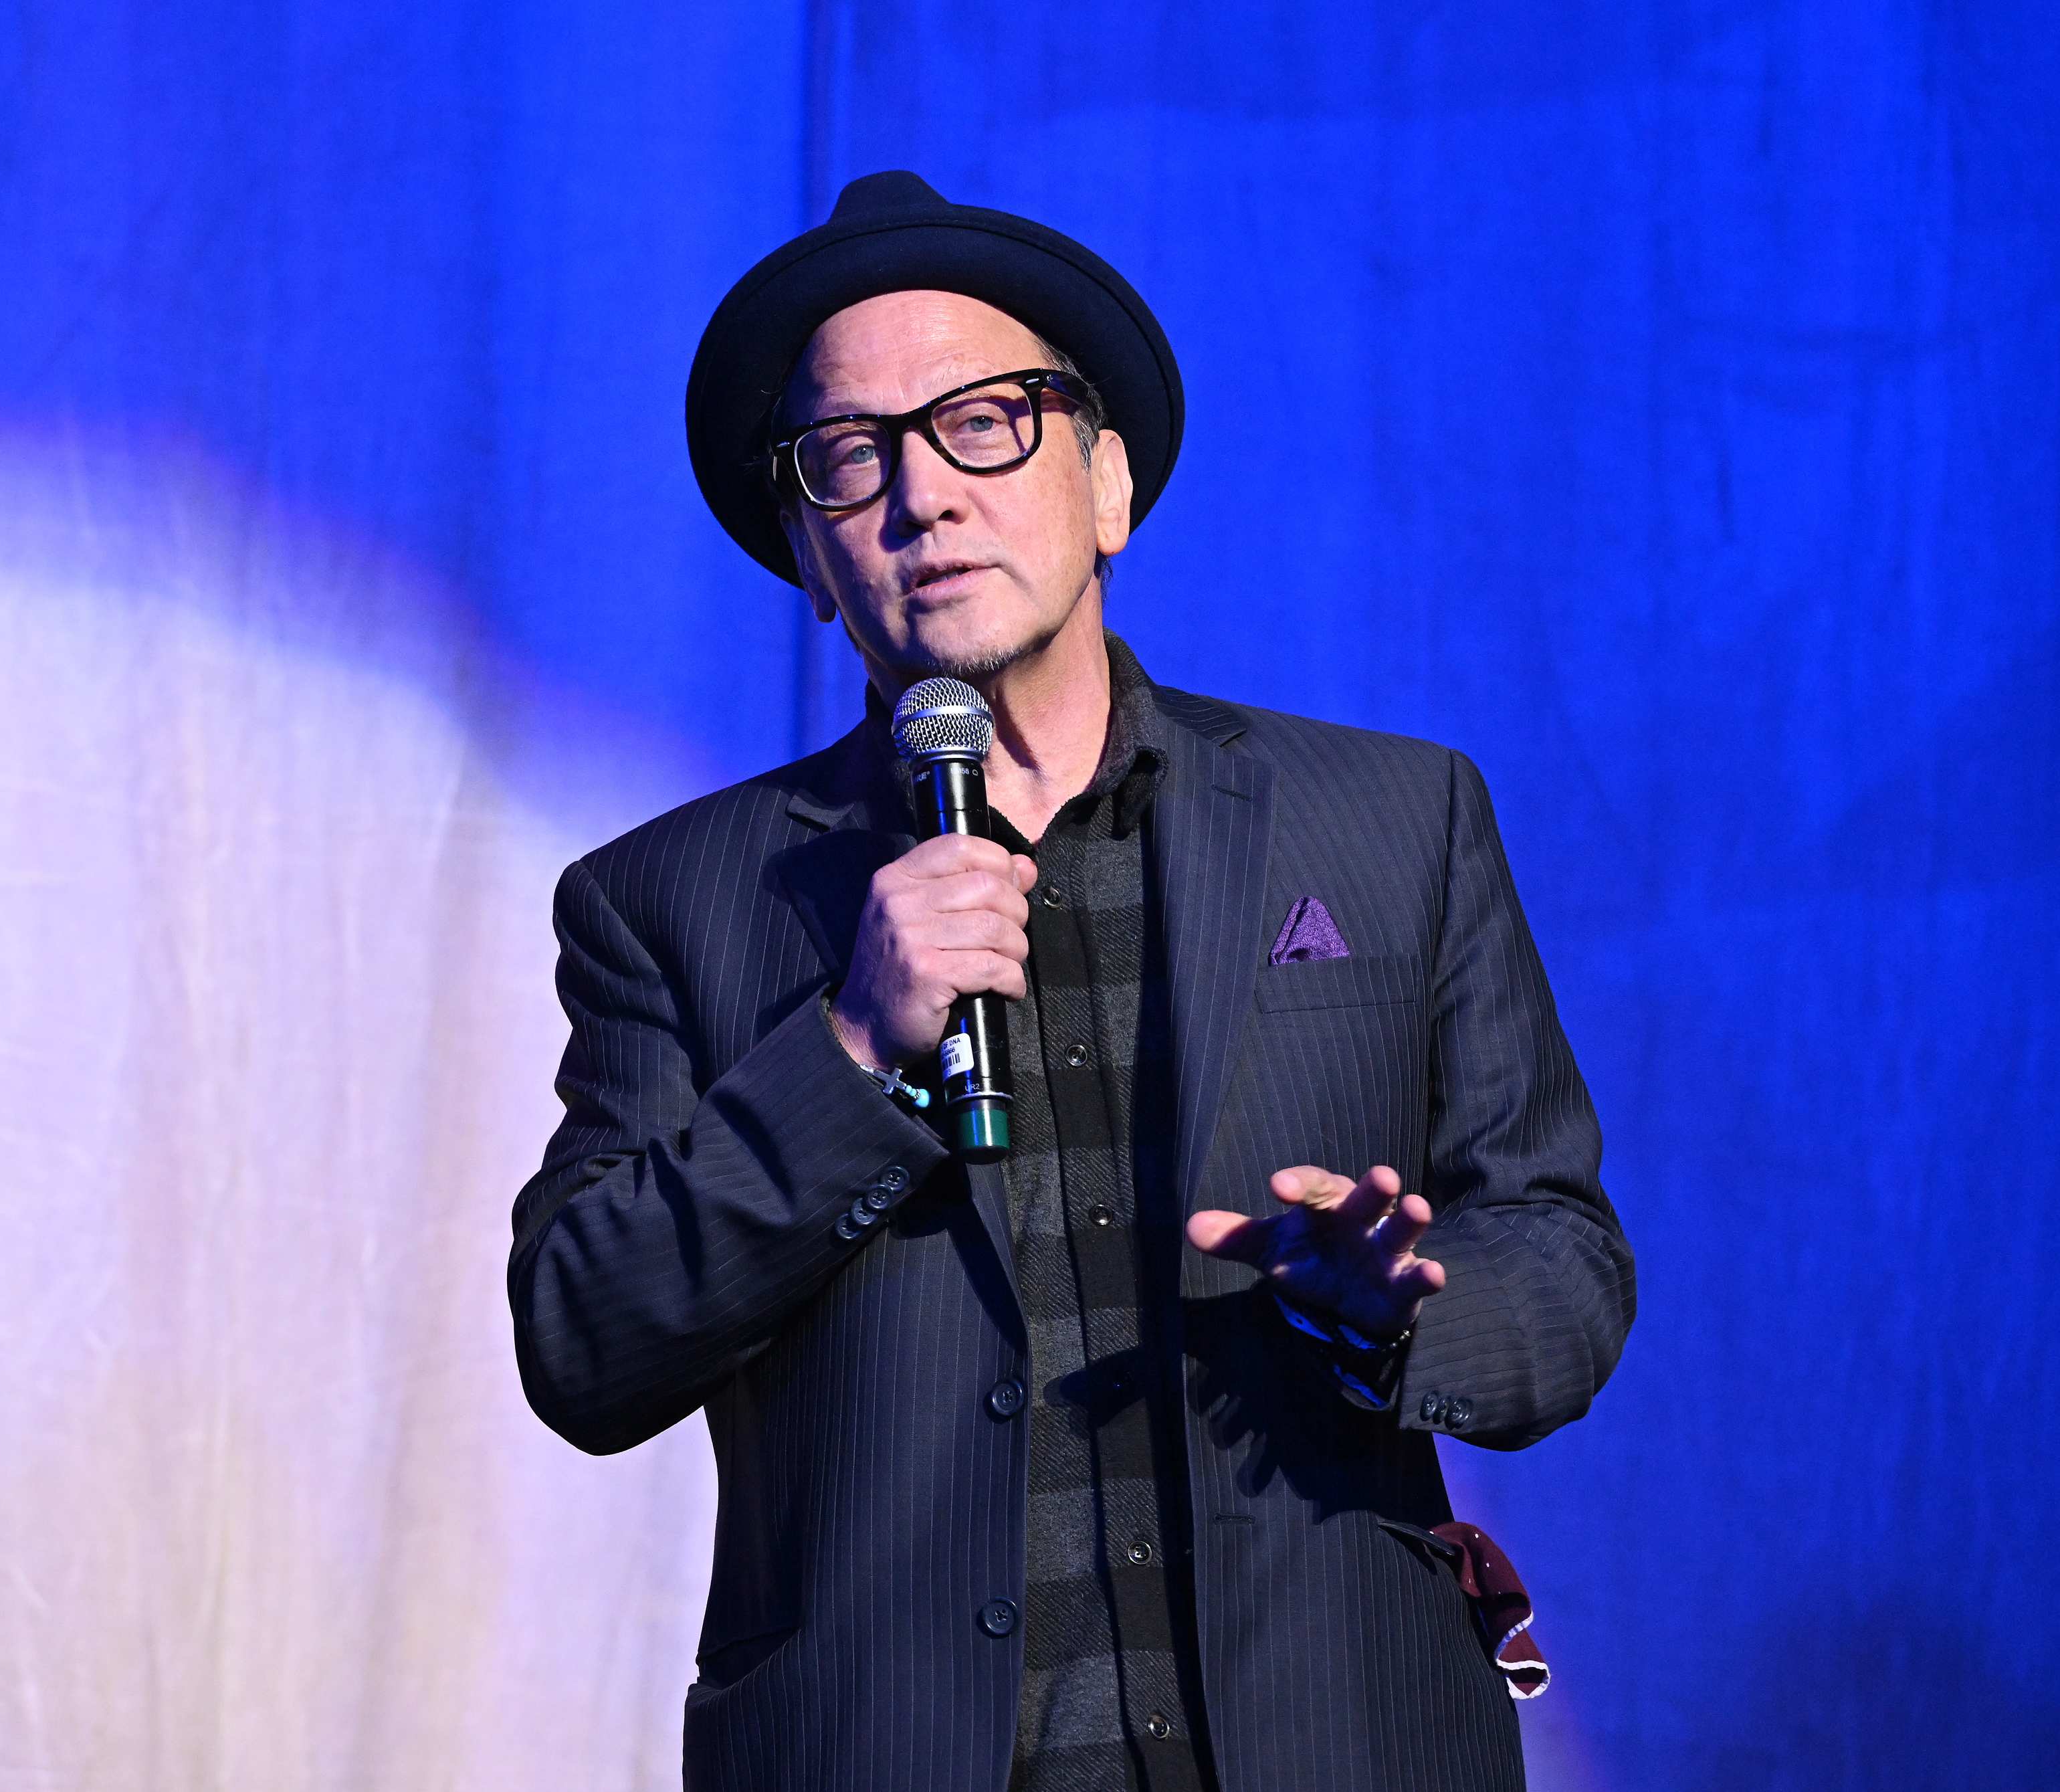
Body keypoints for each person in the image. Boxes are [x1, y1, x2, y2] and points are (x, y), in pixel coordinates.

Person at [510, 171, 1633, 1792]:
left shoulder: (1392, 819)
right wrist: (841, 1050)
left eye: (983, 420)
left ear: (1107, 483)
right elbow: (580, 1343)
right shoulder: (672, 901)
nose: (921, 495)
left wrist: (1402, 1306)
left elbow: (1567, 1261)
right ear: (811, 558)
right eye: (850, 455)